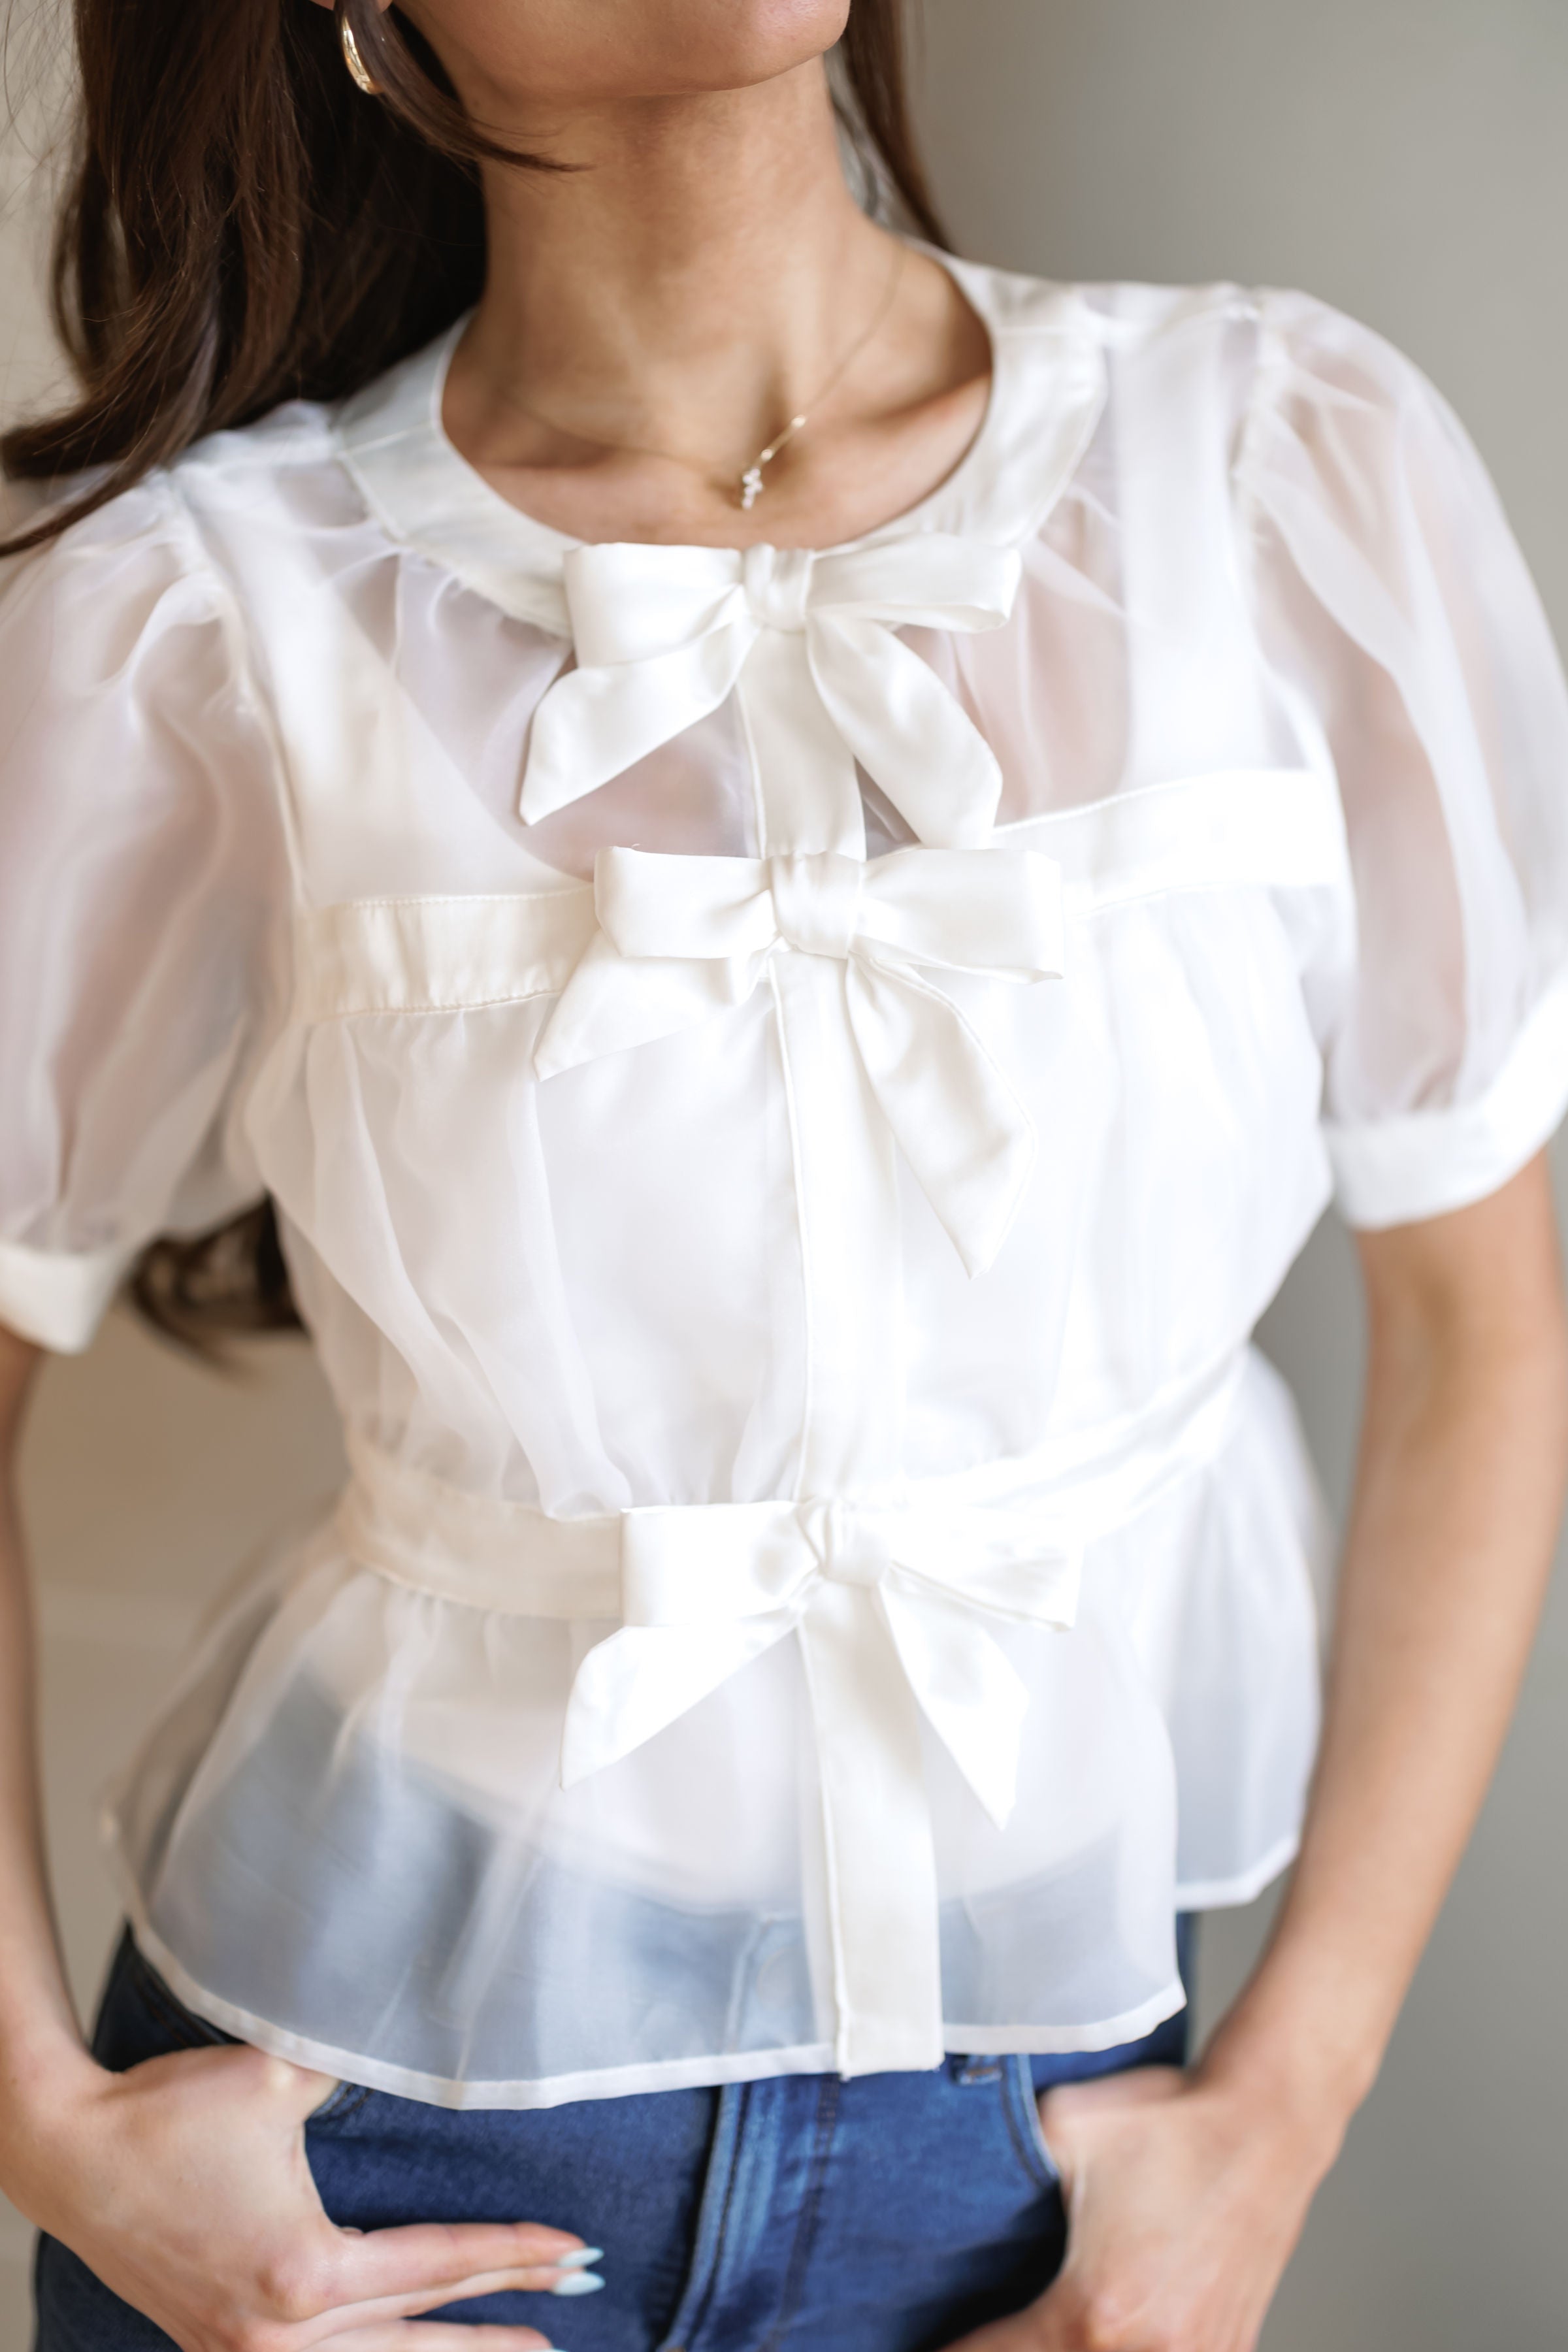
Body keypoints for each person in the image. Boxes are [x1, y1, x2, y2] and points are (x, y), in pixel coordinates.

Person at [2, 1, 1567, 2345]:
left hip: (1045, 2157)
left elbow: (1487, 1310)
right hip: (376, 2158)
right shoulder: (205, 619)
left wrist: (1281, 2114)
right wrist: (49, 2118)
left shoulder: (1272, 463)